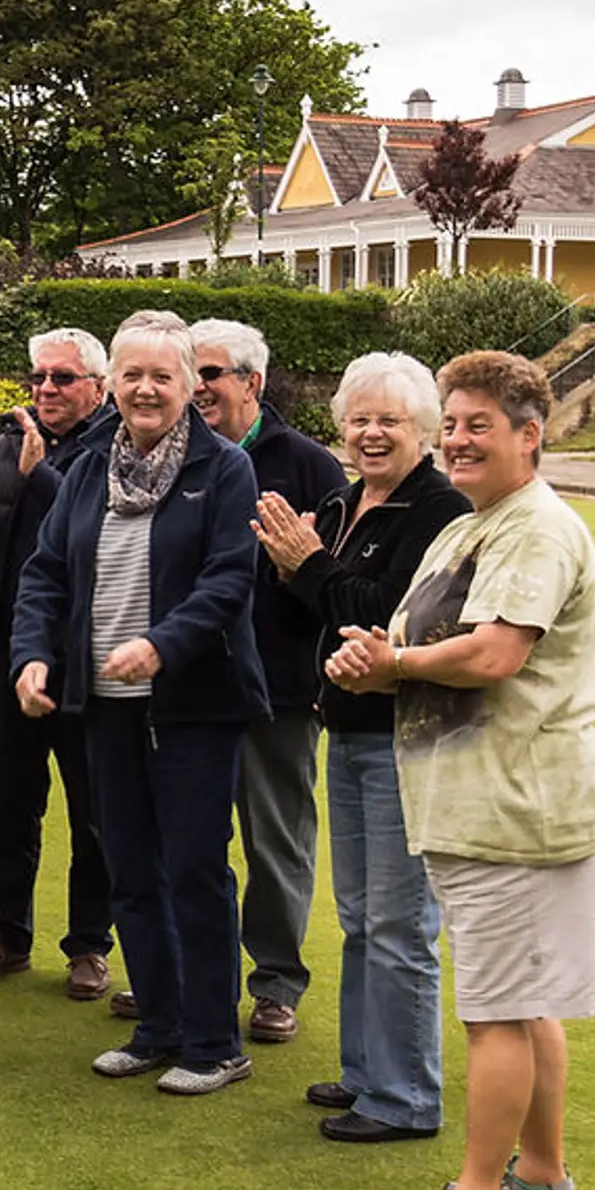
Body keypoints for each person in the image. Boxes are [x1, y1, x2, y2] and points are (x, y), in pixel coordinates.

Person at [326, 350, 595, 1190]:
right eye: (450, 423)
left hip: (517, 808)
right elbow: (405, 637)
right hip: (482, 804)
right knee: (527, 1007)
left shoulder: (536, 526)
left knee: (497, 1013)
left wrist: (395, 664)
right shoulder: (470, 524)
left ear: (531, 436)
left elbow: (495, 652)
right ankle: (539, 1182)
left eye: (477, 425)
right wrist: (375, 660)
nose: (456, 440)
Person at [11, 320, 268, 1096]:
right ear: (113, 385)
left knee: (194, 869)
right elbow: (45, 573)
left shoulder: (223, 471)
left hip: (194, 703)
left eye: (162, 374)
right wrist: (33, 654)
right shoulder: (89, 468)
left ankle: (216, 1040)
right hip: (107, 706)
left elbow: (230, 580)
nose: (146, 389)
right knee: (129, 871)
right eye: (132, 375)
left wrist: (161, 645)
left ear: (192, 384)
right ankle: (157, 1025)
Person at [252, 352, 470, 1143]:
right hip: (344, 728)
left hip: (404, 736)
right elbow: (314, 609)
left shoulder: (437, 512)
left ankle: (406, 1097)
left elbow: (377, 615)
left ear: (423, 430)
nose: (372, 433)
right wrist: (291, 568)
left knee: (401, 925)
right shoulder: (346, 502)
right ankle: (365, 1071)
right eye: (359, 419)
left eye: (391, 421)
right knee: (358, 918)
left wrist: (306, 565)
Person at [0, 326, 116, 1000]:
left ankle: (89, 946)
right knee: (8, 803)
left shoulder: (114, 450)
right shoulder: (11, 442)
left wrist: (41, 477)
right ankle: (7, 933)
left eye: (62, 378)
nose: (46, 388)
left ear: (96, 387)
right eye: (39, 376)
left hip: (85, 657)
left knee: (92, 809)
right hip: (8, 651)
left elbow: (89, 534)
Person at [188, 317, 346, 1045]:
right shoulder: (173, 455)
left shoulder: (307, 465)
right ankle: (191, 974)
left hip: (278, 684)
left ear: (252, 381)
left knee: (274, 839)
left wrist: (295, 567)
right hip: (188, 676)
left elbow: (338, 583)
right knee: (186, 834)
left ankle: (276, 982)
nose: (197, 388)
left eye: (211, 373)